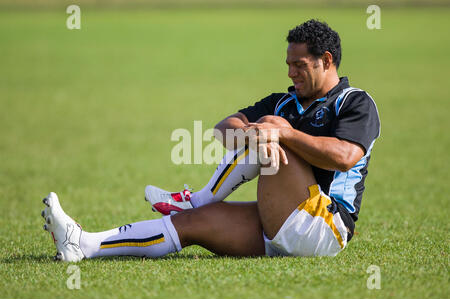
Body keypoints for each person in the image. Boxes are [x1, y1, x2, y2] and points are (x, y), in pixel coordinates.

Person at [41, 19, 380, 262]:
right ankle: (83, 243)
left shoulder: (355, 101)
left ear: (326, 61)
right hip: (280, 223)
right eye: (288, 64)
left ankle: (199, 197)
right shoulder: (284, 100)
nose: (290, 72)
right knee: (189, 225)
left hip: (324, 228)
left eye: (299, 65)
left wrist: (283, 133)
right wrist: (248, 133)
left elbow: (345, 156)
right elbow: (223, 128)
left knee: (270, 131)